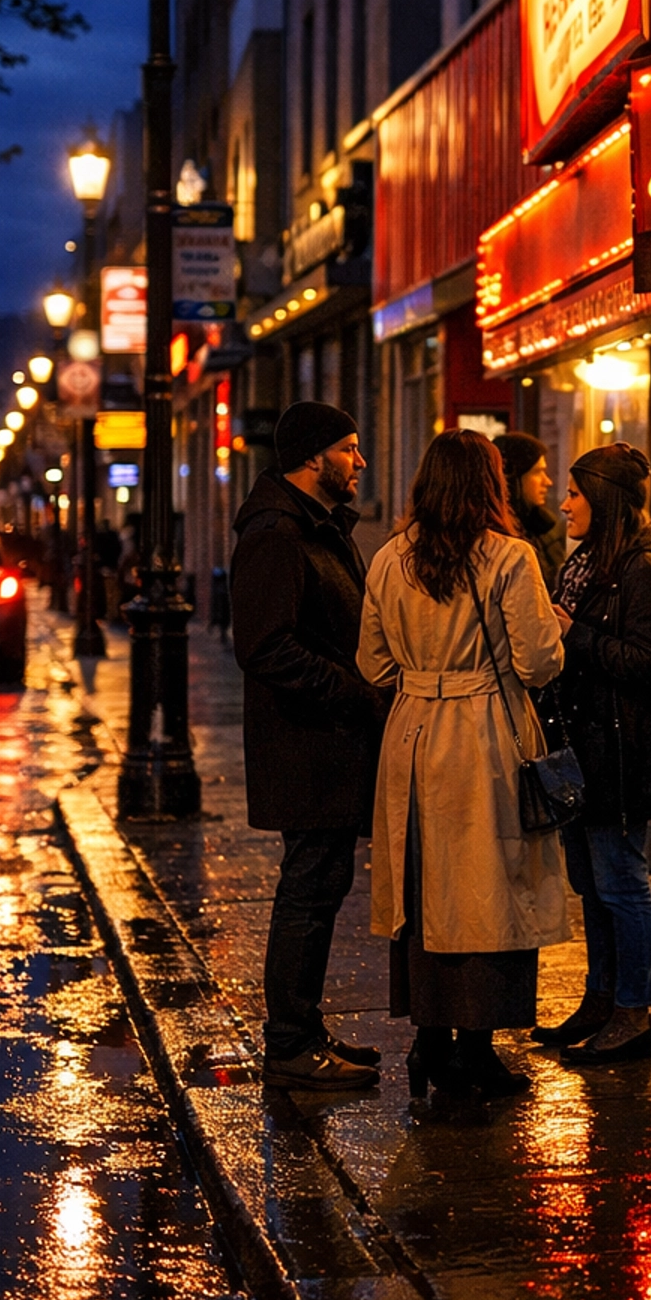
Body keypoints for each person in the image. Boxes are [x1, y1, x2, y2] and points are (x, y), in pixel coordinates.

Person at [358, 428, 568, 1105]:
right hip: (485, 734)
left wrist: (423, 674)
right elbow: (539, 662)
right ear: (491, 487)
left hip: (413, 735)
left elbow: (372, 664)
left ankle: (429, 1040)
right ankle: (475, 1050)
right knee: (487, 889)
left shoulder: (390, 559)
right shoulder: (510, 557)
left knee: (424, 891)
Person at [231, 403, 389, 1090]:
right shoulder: (277, 534)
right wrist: (353, 692)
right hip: (307, 745)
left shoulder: (314, 525)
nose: (359, 462)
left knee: (322, 887)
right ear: (311, 458)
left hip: (326, 745)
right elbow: (265, 646)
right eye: (348, 449)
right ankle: (290, 1042)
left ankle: (303, 1028)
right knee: (309, 888)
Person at [536, 443, 651, 1065]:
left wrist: (576, 635)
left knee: (622, 883)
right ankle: (600, 999)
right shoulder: (587, 564)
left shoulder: (642, 568)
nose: (564, 503)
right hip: (583, 751)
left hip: (621, 755)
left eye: (575, 493)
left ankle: (633, 1012)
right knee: (592, 885)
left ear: (602, 499)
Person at [494, 431, 566, 594]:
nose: (547, 481)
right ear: (513, 480)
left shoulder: (545, 528)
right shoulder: (498, 537)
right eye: (537, 472)